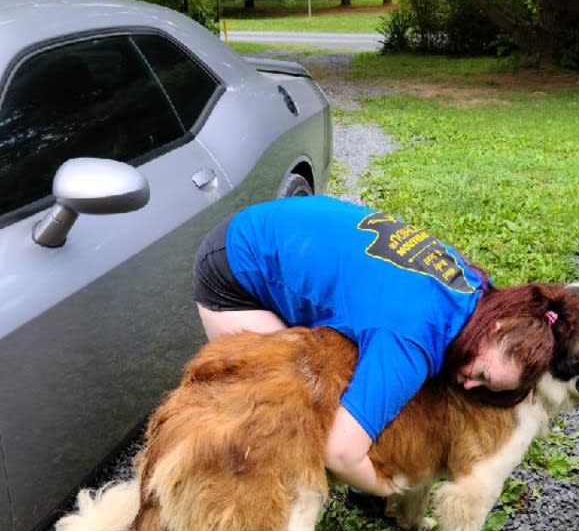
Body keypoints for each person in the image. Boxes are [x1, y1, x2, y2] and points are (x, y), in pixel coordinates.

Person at [193, 195, 557, 500]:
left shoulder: (473, 286)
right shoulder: (410, 343)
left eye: (484, 389)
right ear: (498, 328)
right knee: (284, 418)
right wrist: (387, 487)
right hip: (233, 270)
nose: (468, 385)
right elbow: (340, 453)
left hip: (282, 224)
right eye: (480, 374)